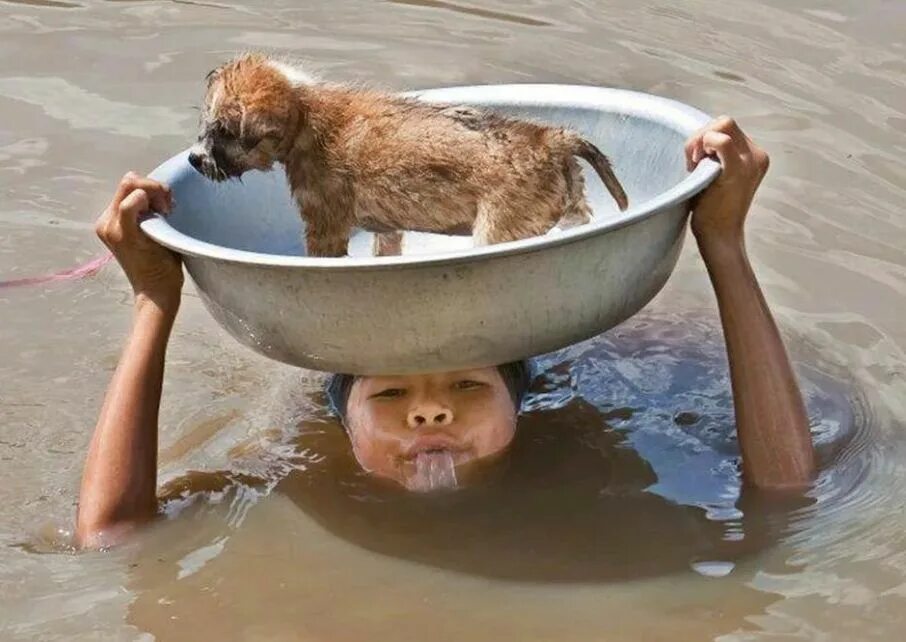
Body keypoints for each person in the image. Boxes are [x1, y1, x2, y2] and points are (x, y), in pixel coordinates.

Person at [75, 117, 816, 549]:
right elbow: (110, 535)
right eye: (390, 392)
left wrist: (725, 246)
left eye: (468, 384)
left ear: (523, 398)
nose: (430, 412)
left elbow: (786, 495)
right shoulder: (298, 472)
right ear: (341, 419)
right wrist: (153, 303)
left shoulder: (588, 442)